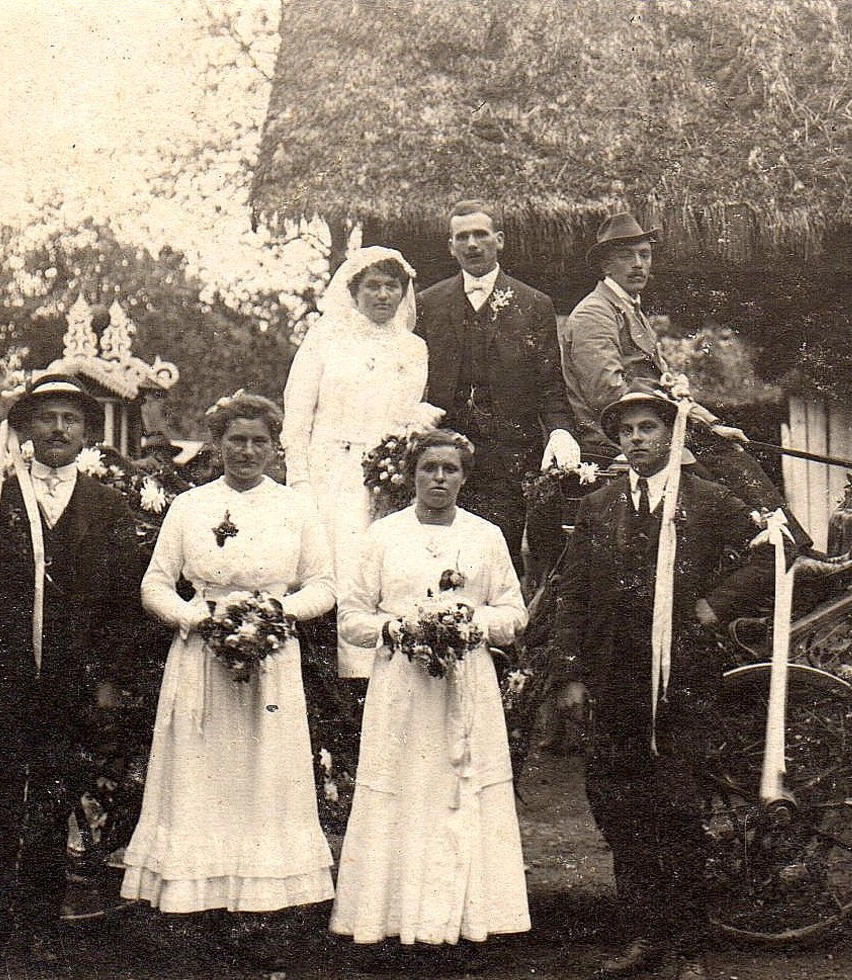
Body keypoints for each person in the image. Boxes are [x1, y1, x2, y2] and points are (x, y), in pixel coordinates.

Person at [552, 386, 771, 980]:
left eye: (649, 428)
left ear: (670, 436)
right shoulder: (600, 507)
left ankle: (689, 947)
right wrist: (570, 674)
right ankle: (643, 936)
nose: (638, 440)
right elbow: (571, 594)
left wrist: (712, 605)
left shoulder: (705, 500)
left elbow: (772, 549)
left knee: (676, 809)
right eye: (627, 432)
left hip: (684, 680)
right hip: (614, 677)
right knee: (620, 810)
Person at [119, 393, 336, 956]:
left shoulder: (295, 507)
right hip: (202, 658)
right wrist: (197, 618)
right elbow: (155, 584)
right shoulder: (190, 506)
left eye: (259, 441)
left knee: (264, 777)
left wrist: (274, 614)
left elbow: (324, 585)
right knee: (202, 775)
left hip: (271, 659)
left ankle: (262, 911)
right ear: (217, 444)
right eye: (236, 440)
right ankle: (194, 906)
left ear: (274, 447)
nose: (247, 451)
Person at [330, 430, 530, 958]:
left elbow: (514, 613)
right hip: (403, 684)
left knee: (462, 791)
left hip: (467, 686)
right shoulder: (382, 536)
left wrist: (468, 623)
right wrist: (399, 629)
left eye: (449, 469)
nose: (438, 478)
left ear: (464, 476)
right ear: (411, 474)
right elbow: (351, 618)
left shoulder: (487, 536)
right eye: (428, 469)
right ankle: (390, 926)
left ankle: (470, 926)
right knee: (405, 787)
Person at [0, 375, 146, 968]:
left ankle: (41, 928)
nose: (57, 430)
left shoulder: (107, 504)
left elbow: (126, 600)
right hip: (3, 672)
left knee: (54, 798)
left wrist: (109, 679)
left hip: (76, 678)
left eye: (70, 420)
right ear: (24, 430)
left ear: (84, 432)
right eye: (45, 418)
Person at [561, 213, 813, 548]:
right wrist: (689, 423)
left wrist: (712, 424)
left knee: (727, 449)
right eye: (626, 256)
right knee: (719, 472)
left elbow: (665, 386)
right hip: (617, 438)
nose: (638, 264)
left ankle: (790, 550)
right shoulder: (595, 314)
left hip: (652, 428)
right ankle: (784, 553)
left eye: (644, 255)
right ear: (606, 265)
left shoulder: (631, 311)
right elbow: (608, 394)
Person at [282, 245, 433, 678]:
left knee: (376, 572)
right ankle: (320, 680)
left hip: (384, 477)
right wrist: (300, 481)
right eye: (373, 286)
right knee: (325, 570)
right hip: (328, 472)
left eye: (393, 287)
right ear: (354, 290)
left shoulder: (413, 347)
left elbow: (407, 414)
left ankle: (366, 679)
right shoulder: (325, 339)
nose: (383, 295)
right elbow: (298, 413)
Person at [415, 200, 580, 576]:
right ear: (450, 246)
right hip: (446, 460)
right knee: (439, 556)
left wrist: (560, 431)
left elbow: (550, 384)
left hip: (508, 461)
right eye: (462, 237)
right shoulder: (429, 303)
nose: (472, 244)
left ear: (499, 240)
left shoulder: (533, 304)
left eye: (481, 234)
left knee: (497, 560)